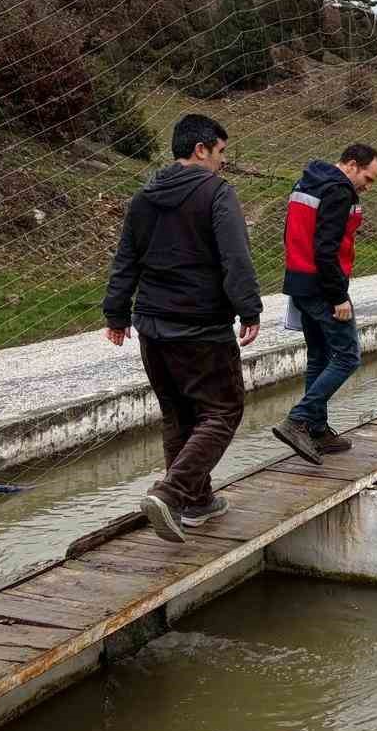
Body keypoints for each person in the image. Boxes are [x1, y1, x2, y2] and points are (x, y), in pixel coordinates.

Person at [102, 114, 263, 543]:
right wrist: (249, 310)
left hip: (152, 327)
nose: (223, 161)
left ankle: (196, 502)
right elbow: (236, 258)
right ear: (201, 149)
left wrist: (116, 314)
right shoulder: (216, 194)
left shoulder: (143, 198)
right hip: (201, 328)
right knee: (222, 410)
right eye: (221, 152)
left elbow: (126, 261)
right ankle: (171, 493)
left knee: (178, 416)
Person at [272, 143, 377, 464]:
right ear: (351, 165)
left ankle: (317, 429)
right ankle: (298, 420)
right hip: (323, 286)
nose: (367, 186)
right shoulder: (338, 190)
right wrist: (338, 297)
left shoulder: (307, 182)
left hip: (301, 281)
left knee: (319, 355)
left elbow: (294, 234)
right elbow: (326, 248)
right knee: (348, 356)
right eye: (368, 177)